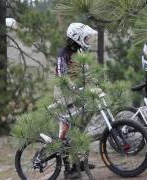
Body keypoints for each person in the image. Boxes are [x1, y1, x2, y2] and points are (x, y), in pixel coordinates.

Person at [54, 22, 97, 179]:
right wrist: (73, 87)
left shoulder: (80, 52)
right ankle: (67, 170)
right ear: (77, 38)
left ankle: (77, 162)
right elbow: (61, 76)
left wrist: (95, 86)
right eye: (86, 38)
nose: (88, 40)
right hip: (64, 94)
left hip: (77, 93)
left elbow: (87, 73)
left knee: (77, 128)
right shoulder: (63, 54)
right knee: (65, 131)